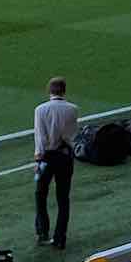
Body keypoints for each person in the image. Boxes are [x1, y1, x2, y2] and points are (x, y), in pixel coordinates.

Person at [34, 77, 78, 249]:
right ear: (64, 90)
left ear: (49, 91)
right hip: (65, 156)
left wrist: (38, 157)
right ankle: (60, 238)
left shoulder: (40, 110)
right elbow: (72, 135)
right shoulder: (73, 109)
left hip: (46, 157)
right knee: (63, 198)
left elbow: (40, 136)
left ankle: (42, 232)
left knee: (40, 194)